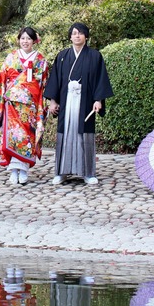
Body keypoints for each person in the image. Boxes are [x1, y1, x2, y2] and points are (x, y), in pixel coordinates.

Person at [43, 22, 112, 186]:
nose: (77, 36)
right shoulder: (62, 56)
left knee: (85, 135)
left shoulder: (95, 56)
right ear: (70, 36)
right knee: (65, 134)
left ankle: (88, 172)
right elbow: (55, 80)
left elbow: (99, 80)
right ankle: (61, 172)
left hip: (86, 100)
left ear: (86, 36)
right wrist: (53, 101)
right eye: (74, 33)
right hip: (66, 101)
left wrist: (98, 100)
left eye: (80, 33)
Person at [0, 27, 49, 186]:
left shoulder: (40, 59)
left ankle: (24, 170)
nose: (25, 41)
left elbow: (43, 83)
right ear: (19, 40)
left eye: (29, 39)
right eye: (23, 38)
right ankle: (13, 170)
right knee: (12, 135)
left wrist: (43, 101)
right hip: (11, 103)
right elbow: (1, 76)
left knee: (27, 136)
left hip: (30, 105)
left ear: (34, 41)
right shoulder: (11, 57)